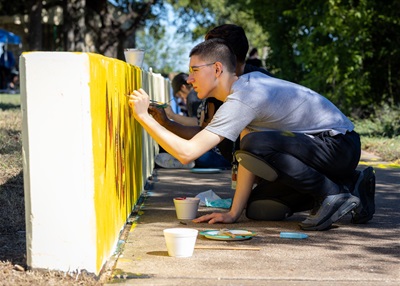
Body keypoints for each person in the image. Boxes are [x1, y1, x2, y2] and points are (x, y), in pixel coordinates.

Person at [128, 39, 375, 231]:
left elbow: (187, 153)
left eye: (194, 70)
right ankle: (351, 186)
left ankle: (331, 193)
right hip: (325, 150)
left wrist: (143, 117)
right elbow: (247, 156)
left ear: (217, 69)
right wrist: (234, 213)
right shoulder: (243, 88)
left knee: (253, 142)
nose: (190, 79)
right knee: (259, 208)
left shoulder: (244, 97)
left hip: (338, 144)